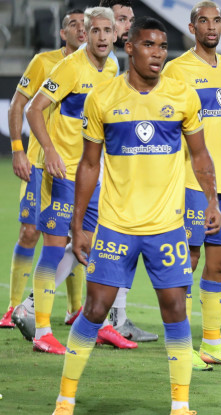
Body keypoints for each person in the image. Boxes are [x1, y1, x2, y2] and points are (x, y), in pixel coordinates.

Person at [46, 16, 221, 415]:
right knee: (95, 309)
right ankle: (64, 403)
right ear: (129, 47)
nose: (158, 54)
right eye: (148, 45)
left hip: (166, 228)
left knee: (175, 309)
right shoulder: (103, 98)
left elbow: (200, 155)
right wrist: (79, 225)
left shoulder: (182, 96)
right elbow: (89, 165)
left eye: (163, 46)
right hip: (116, 227)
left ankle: (180, 408)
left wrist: (212, 200)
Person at [24, 6, 135, 355]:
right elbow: (33, 109)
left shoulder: (113, 67)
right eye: (95, 31)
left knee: (94, 246)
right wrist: (49, 151)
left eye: (107, 30)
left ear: (115, 34)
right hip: (63, 172)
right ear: (85, 34)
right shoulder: (70, 67)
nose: (102, 37)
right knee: (55, 246)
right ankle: (41, 329)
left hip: (93, 173)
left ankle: (96, 323)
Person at [162, 0, 221, 371]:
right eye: (203, 21)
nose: (211, 27)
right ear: (192, 27)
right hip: (190, 181)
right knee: (189, 260)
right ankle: (181, 346)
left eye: (216, 21)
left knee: (220, 260)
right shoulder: (176, 69)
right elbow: (167, 125)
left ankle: (212, 344)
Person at [2, 9, 87, 332]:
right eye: (73, 25)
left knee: (74, 233)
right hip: (39, 164)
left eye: (86, 24)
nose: (81, 29)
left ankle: (74, 309)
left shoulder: (101, 66)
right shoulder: (43, 61)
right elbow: (17, 105)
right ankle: (13, 307)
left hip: (76, 166)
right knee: (30, 231)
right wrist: (17, 150)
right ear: (63, 33)